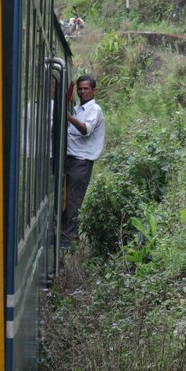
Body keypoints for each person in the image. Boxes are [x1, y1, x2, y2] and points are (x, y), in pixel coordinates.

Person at [61, 75, 105, 247]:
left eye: (86, 89)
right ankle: (65, 236)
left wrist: (68, 117)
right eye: (80, 89)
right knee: (65, 199)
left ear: (94, 91)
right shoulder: (79, 108)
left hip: (82, 161)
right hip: (71, 158)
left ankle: (70, 241)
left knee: (73, 201)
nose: (82, 92)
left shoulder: (95, 110)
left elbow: (86, 129)